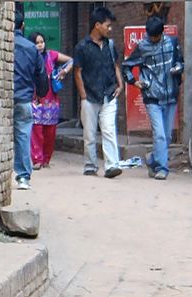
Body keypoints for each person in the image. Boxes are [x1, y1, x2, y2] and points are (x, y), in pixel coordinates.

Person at [121, 16, 184, 180]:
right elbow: (126, 66)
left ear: (161, 33)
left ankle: (152, 159)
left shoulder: (172, 43)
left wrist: (178, 68)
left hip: (170, 95)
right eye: (150, 36)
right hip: (152, 97)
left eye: (155, 36)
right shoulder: (142, 47)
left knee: (167, 137)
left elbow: (180, 61)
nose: (152, 39)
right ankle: (163, 168)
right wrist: (135, 82)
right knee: (160, 135)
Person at [74, 6, 124, 178]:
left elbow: (115, 65)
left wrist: (120, 84)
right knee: (89, 134)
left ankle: (112, 165)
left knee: (109, 130)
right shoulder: (82, 47)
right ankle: (90, 165)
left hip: (109, 94)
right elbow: (78, 71)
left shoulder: (110, 45)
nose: (110, 29)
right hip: (90, 95)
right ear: (97, 25)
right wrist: (83, 96)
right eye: (107, 25)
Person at [13, 11, 49, 191]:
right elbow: (41, 76)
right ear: (22, 26)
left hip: (3, 99)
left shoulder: (3, 46)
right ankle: (23, 177)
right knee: (23, 136)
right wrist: (41, 94)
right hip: (24, 99)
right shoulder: (31, 48)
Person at [29, 32, 73, 169]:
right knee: (36, 130)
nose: (40, 45)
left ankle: (46, 159)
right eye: (37, 43)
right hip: (35, 98)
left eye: (41, 42)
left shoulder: (51, 55)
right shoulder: (30, 57)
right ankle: (37, 159)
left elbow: (71, 60)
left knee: (50, 131)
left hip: (51, 100)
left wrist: (64, 71)